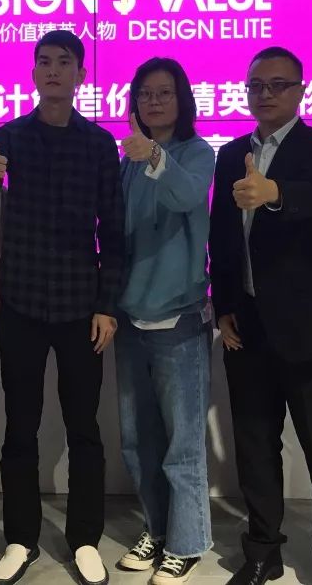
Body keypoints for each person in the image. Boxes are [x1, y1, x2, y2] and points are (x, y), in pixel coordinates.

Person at [0, 29, 125, 585]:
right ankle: (20, 538)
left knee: (84, 428)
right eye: (43, 61)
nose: (52, 70)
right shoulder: (8, 137)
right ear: (33, 73)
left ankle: (84, 539)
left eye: (63, 62)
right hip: (22, 303)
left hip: (81, 306)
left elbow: (114, 231)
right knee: (20, 427)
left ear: (81, 73)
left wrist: (107, 304)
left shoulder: (100, 144)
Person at [209, 46, 312, 585]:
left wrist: (272, 192)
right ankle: (262, 552)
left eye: (278, 85)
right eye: (256, 85)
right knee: (254, 444)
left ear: (300, 91)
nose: (266, 94)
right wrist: (224, 307)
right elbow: (222, 236)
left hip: (308, 326)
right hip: (246, 324)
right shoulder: (231, 153)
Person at [114, 58, 216, 585]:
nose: (153, 102)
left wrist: (154, 154)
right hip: (130, 318)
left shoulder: (196, 152)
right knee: (139, 442)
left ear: (182, 100)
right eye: (145, 94)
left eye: (164, 93)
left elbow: (186, 194)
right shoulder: (128, 160)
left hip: (179, 317)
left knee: (183, 446)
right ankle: (156, 530)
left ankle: (187, 543)